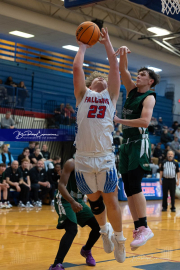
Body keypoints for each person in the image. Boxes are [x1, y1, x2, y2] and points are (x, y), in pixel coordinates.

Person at [73, 28, 126, 263]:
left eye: (104, 79)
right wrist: (83, 44)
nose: (103, 79)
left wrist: (107, 44)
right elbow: (77, 69)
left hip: (104, 156)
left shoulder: (111, 96)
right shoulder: (82, 95)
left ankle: (120, 240)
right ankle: (104, 232)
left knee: (111, 199)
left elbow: (115, 69)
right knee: (94, 201)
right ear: (90, 83)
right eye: (98, 78)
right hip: (83, 158)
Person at [114, 45, 160, 250]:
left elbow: (144, 122)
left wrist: (119, 119)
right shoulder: (132, 91)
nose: (138, 76)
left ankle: (145, 227)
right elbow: (122, 70)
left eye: (142, 75)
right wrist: (122, 53)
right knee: (128, 187)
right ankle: (138, 228)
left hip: (140, 143)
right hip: (126, 144)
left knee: (136, 184)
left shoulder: (149, 97)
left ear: (150, 81)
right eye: (138, 74)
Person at [48, 158, 100, 270]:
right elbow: (61, 185)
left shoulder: (95, 165)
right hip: (64, 200)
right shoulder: (71, 163)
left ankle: (86, 250)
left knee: (98, 227)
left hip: (79, 200)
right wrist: (72, 202)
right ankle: (57, 264)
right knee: (72, 230)